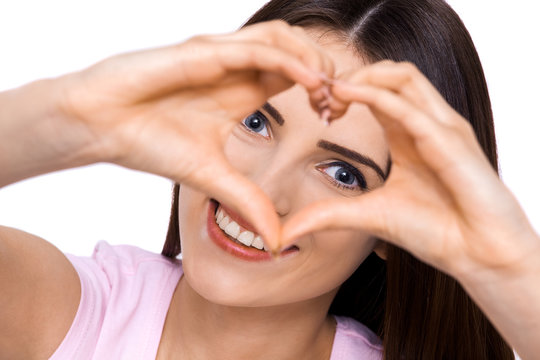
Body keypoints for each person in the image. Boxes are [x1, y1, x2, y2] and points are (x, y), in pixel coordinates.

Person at [0, 0, 538, 359]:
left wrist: (506, 265)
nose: (262, 191)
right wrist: (71, 119)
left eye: (343, 173)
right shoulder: (65, 310)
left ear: (396, 235)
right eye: (256, 122)